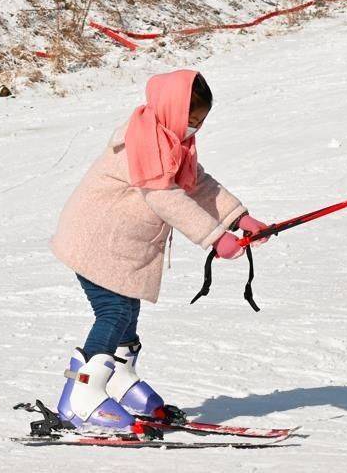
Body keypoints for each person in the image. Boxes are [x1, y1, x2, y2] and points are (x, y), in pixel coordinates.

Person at [49, 70, 270, 431]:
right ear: (171, 110)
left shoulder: (167, 140)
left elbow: (196, 184)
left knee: (125, 311)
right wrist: (215, 237)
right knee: (115, 311)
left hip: (117, 248)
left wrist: (239, 219)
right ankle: (80, 396)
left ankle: (117, 376)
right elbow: (164, 197)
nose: (193, 130)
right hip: (97, 242)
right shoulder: (142, 144)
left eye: (199, 123)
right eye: (191, 120)